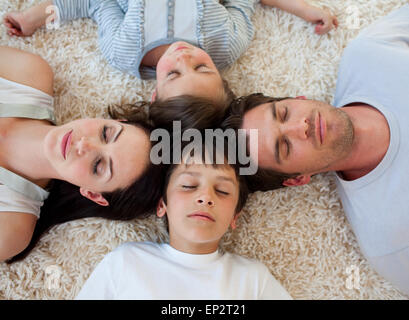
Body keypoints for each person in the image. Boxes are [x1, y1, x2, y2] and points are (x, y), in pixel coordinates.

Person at [223, 4, 409, 295]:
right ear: (298, 178)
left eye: (284, 114)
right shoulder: (388, 238)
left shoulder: (370, 55)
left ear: (299, 98)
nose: (301, 127)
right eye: (284, 146)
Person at [0, 46, 166, 263]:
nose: (85, 144)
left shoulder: (9, 229)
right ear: (116, 122)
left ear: (93, 194)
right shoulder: (26, 74)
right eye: (106, 133)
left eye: (98, 165)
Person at [4, 0, 338, 105]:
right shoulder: (226, 41)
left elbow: (94, 2)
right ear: (221, 75)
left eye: (174, 74)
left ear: (154, 94)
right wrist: (305, 10)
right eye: (202, 69)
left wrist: (35, 17)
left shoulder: (123, 50)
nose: (184, 58)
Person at [75, 139, 292, 299]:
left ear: (235, 216)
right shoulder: (125, 262)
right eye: (188, 186)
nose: (206, 197)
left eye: (222, 191)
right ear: (162, 205)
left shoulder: (252, 278)